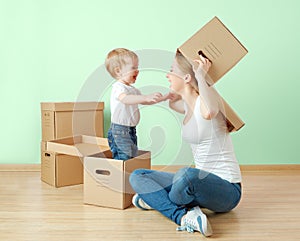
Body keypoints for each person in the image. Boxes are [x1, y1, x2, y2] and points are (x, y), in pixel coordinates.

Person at [129, 51, 242, 237]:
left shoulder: (207, 102)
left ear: (188, 77)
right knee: (137, 176)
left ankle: (158, 201)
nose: (167, 75)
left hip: (227, 191)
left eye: (172, 70)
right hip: (198, 186)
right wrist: (170, 98)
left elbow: (210, 111)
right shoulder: (189, 106)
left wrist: (201, 75)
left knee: (185, 174)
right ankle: (184, 216)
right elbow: (177, 105)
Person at [105, 48, 169, 160]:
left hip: (131, 130)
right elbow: (125, 99)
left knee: (132, 156)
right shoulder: (118, 87)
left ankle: (127, 175)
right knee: (124, 157)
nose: (137, 71)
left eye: (137, 67)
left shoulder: (132, 90)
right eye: (133, 68)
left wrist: (165, 97)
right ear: (118, 71)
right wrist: (145, 97)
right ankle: (120, 176)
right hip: (119, 131)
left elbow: (145, 101)